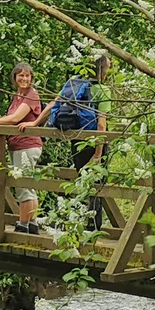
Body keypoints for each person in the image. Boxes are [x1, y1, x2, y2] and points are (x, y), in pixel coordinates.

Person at [44, 53, 112, 230]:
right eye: (107, 67)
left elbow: (53, 104)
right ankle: (92, 229)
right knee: (97, 187)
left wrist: (35, 123)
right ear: (102, 70)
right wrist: (98, 154)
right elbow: (101, 124)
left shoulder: (73, 84)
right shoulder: (103, 90)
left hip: (77, 141)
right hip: (94, 143)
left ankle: (79, 224)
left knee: (83, 182)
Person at [0, 62, 48, 234]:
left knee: (22, 185)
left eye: (27, 75)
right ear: (15, 77)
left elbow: (14, 118)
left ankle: (23, 224)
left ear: (32, 78)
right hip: (17, 144)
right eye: (21, 75)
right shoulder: (17, 95)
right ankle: (32, 223)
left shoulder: (31, 95)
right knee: (27, 184)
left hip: (27, 144)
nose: (24, 79)